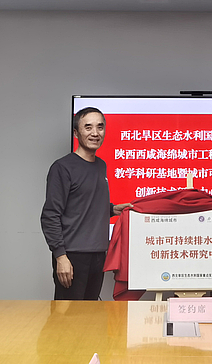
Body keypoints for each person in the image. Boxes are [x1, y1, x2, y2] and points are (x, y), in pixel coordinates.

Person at [41, 107, 131, 300]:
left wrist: (113, 209)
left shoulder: (100, 165)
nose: (95, 133)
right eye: (88, 127)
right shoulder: (62, 167)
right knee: (67, 315)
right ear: (76, 133)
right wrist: (60, 256)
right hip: (72, 256)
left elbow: (84, 203)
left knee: (90, 314)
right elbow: (50, 215)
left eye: (100, 127)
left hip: (98, 254)